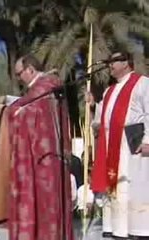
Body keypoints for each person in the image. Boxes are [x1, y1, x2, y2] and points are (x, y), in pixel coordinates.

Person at [0, 54, 73, 240]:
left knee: (44, 209)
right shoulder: (45, 88)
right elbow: (27, 102)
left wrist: (5, 111)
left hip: (44, 160)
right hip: (50, 159)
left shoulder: (45, 87)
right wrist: (9, 99)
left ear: (30, 69)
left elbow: (27, 110)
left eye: (20, 73)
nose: (19, 78)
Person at [87, 50, 149, 238]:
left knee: (133, 187)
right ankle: (116, 228)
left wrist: (148, 141)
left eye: (113, 61)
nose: (109, 65)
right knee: (114, 188)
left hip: (133, 145)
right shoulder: (109, 90)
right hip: (111, 148)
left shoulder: (142, 83)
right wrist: (92, 106)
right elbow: (101, 121)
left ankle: (138, 229)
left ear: (126, 63)